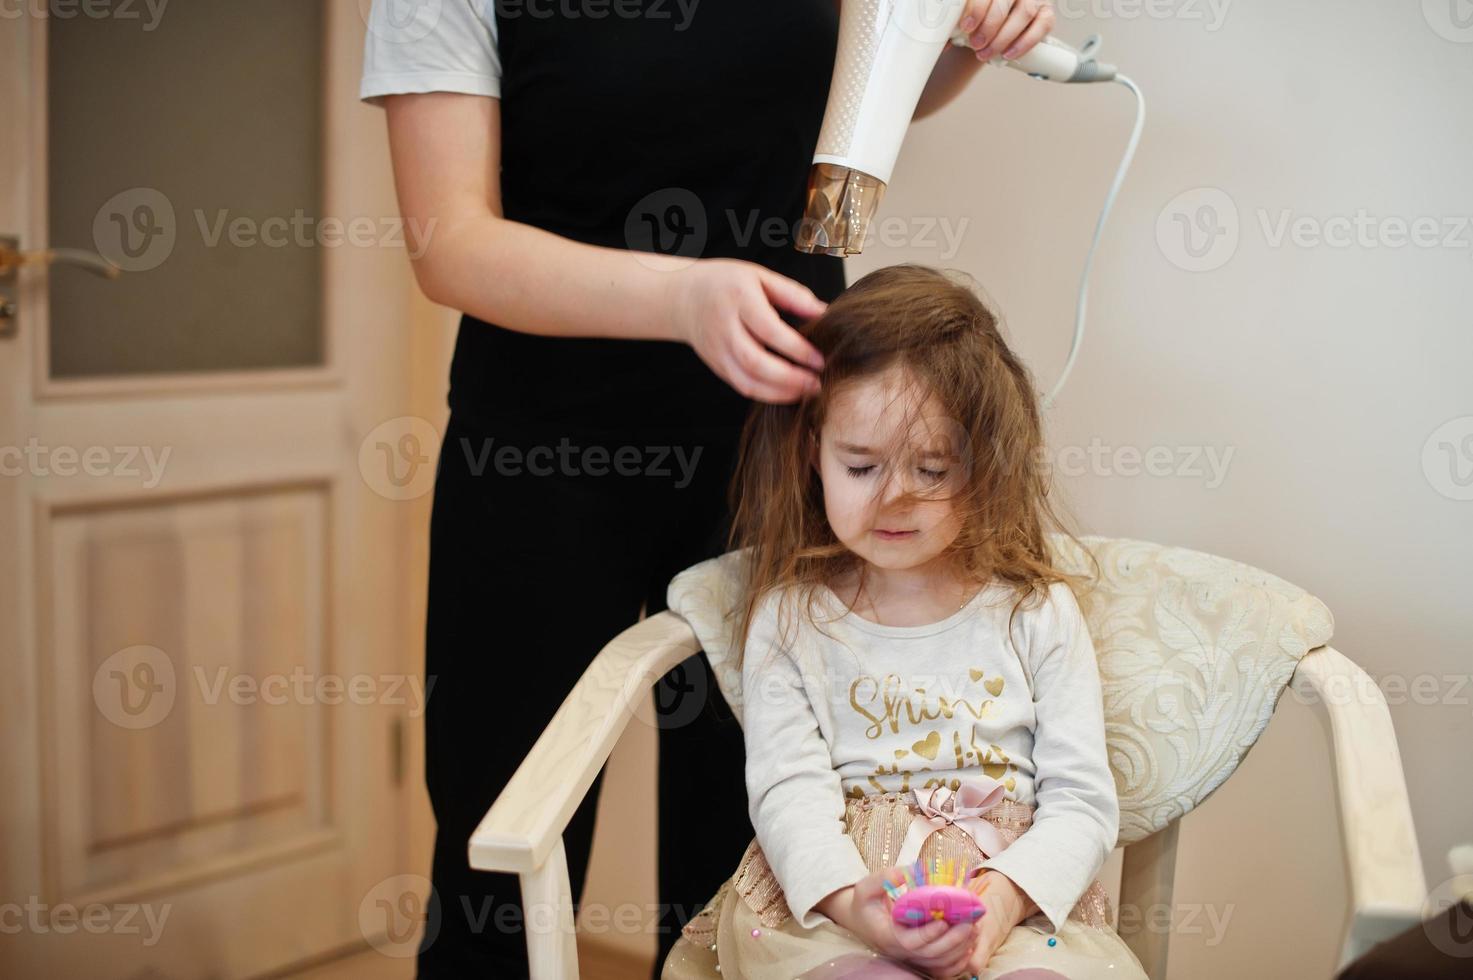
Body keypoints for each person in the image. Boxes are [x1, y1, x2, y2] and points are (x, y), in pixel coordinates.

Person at [358, 1, 1060, 975]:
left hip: (777, 453)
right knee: (503, 856)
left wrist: (968, 36)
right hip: (537, 459)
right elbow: (451, 245)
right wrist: (682, 297)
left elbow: (863, 77)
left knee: (751, 849)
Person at [666, 265, 1148, 979]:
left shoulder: (1034, 611)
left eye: (930, 471)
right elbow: (787, 794)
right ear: (813, 454)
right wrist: (856, 908)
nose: (894, 499)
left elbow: (1079, 801)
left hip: (1010, 899)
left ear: (981, 466)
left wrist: (1006, 901)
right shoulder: (792, 619)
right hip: (839, 908)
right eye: (860, 467)